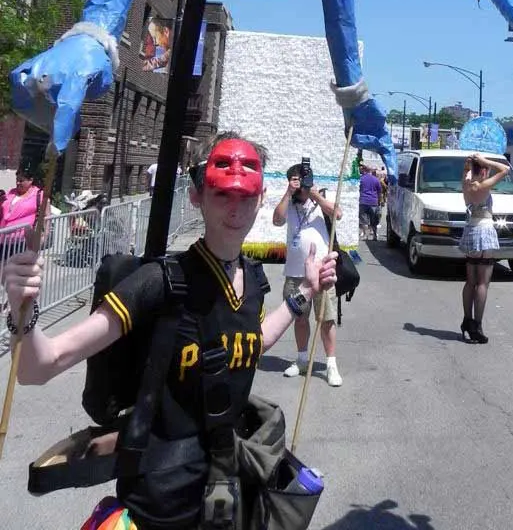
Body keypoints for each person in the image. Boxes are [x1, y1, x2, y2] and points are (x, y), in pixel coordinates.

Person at [3, 131, 337, 530]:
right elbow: (40, 367)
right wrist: (24, 311)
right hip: (160, 505)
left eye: (246, 196)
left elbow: (253, 342)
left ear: (261, 197)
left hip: (226, 497)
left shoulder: (253, 280)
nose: (236, 209)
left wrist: (305, 292)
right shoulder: (158, 282)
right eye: (222, 194)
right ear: (197, 195)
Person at [273, 163, 344, 387]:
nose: (300, 183)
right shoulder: (289, 203)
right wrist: (288, 192)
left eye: (303, 179)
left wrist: (315, 195)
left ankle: (331, 365)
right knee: (300, 318)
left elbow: (338, 214)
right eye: (295, 179)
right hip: (295, 273)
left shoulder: (319, 199)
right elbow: (277, 220)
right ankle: (302, 359)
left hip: (322, 272)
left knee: (327, 319)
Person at [459, 151, 510, 344]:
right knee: (482, 283)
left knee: (470, 281)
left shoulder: (466, 184)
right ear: (483, 171)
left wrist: (469, 165)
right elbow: (505, 169)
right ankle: (477, 325)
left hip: (471, 229)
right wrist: (484, 160)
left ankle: (467, 320)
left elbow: (465, 173)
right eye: (486, 170)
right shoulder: (482, 185)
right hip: (485, 230)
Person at [358, 164, 382, 240]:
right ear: (371, 171)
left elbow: (358, 189)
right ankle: (374, 235)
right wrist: (379, 201)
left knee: (363, 220)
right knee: (374, 220)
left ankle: (365, 235)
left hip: (363, 201)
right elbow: (379, 192)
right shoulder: (376, 180)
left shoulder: (361, 179)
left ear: (364, 170)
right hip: (373, 202)